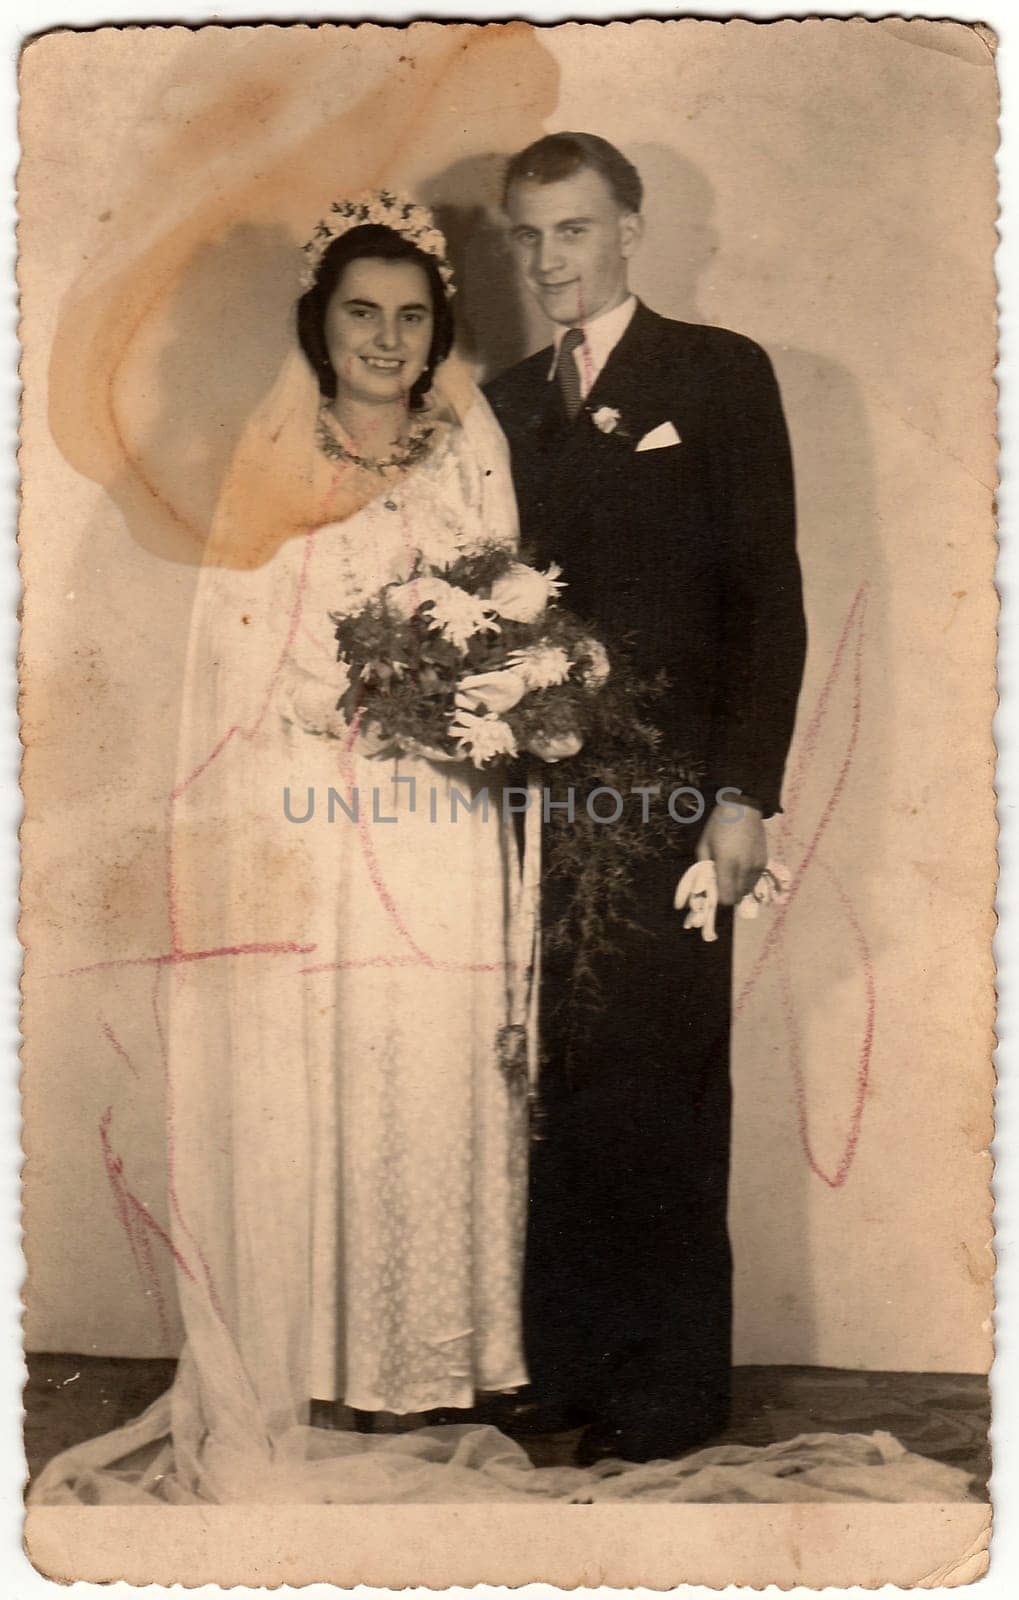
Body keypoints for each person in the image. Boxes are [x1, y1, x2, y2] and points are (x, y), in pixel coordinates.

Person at [33, 196, 537, 1502]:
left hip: (438, 827)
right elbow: (248, 649)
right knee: (321, 1082)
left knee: (429, 1075)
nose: (386, 338)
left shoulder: (467, 445)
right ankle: (315, 1371)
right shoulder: (269, 454)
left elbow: (505, 612)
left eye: (410, 316)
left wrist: (475, 702)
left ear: (439, 332)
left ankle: (424, 1371)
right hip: (313, 822)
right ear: (319, 324)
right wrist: (342, 706)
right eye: (361, 313)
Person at [484, 133, 807, 1465]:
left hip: (674, 799)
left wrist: (744, 798)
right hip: (533, 803)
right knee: (552, 1075)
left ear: (630, 229)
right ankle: (561, 1366)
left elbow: (765, 603)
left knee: (661, 1083)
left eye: (574, 229)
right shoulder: (501, 400)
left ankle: (665, 1388)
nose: (551, 259)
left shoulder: (717, 373)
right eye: (529, 235)